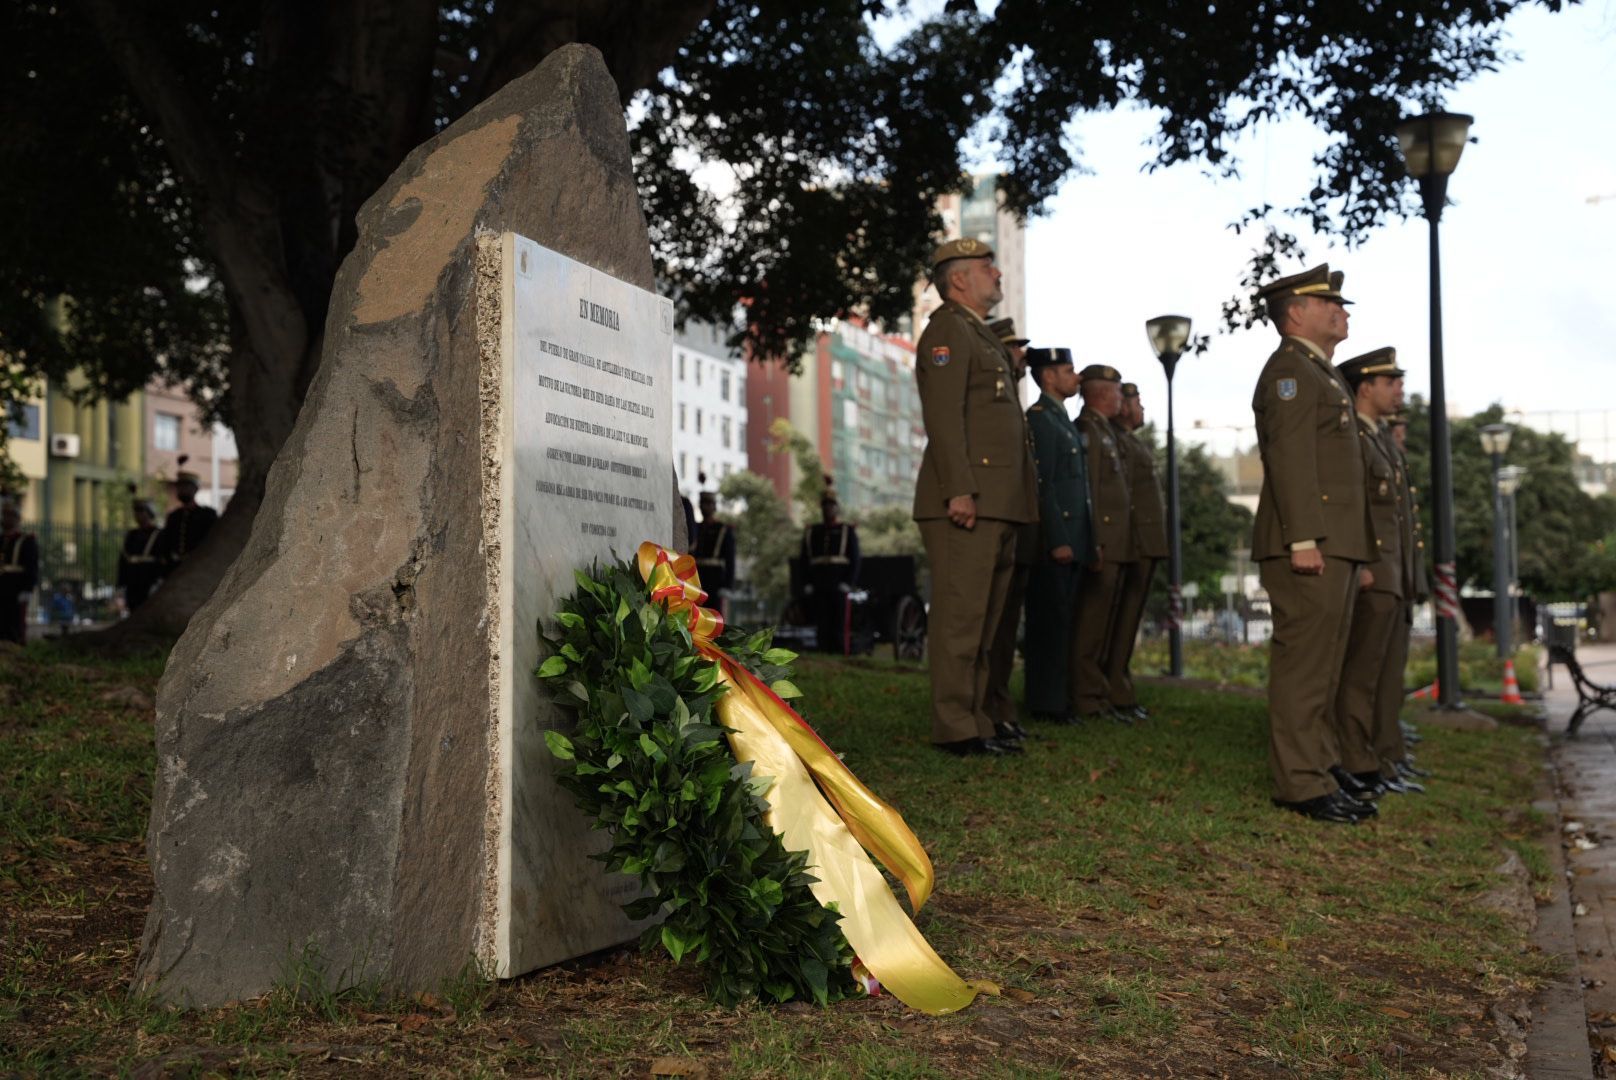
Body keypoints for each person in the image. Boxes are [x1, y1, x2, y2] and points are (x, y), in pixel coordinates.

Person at [1251, 264, 1376, 824]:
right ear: (1296, 312)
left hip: (1334, 543)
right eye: (1331, 303)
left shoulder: (1318, 373)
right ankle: (1300, 782)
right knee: (1305, 667)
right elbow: (1291, 459)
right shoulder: (1291, 372)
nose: (1343, 311)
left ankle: (1320, 769)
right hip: (1308, 544)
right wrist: (1303, 538)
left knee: (1325, 667)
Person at [911, 236, 1038, 756]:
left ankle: (978, 718)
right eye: (988, 267)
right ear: (958, 279)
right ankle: (957, 726)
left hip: (995, 501)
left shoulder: (976, 334)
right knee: (961, 620)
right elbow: (943, 418)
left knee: (985, 622)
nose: (998, 274)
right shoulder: (947, 331)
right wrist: (960, 488)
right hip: (966, 501)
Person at [1332, 348, 1424, 797]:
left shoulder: (1379, 438)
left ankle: (1384, 757)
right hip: (1375, 571)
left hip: (1393, 574)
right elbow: (1357, 511)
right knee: (1362, 676)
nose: (1399, 390)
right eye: (1391, 382)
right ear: (1365, 388)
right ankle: (1359, 762)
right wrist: (1366, 564)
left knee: (1386, 677)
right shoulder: (1355, 438)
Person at [1021, 347, 1095, 723]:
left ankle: (1058, 699)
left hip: (1073, 539)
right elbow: (1043, 484)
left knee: (1063, 621)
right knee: (1049, 624)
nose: (1076, 377)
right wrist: (1057, 538)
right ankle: (1046, 703)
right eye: (1068, 370)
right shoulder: (1041, 420)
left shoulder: (1061, 419)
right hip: (1057, 541)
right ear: (1048, 377)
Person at [1069, 364, 1134, 723]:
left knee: (1104, 625)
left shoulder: (1105, 431)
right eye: (1117, 392)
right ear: (1100, 394)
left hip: (1115, 543)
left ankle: (1097, 695)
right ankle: (1086, 697)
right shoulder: (1089, 430)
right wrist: (1094, 541)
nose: (1121, 400)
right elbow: (1090, 492)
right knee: (1091, 625)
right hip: (1103, 544)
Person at [984, 317, 1034, 743]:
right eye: (1016, 347)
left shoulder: (1011, 397)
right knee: (988, 627)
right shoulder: (995, 394)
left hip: (1013, 514)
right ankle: (985, 710)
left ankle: (997, 704)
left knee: (1003, 626)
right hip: (991, 509)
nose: (1023, 356)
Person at [1107, 383, 1168, 721]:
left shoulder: (1129, 441)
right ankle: (1115, 688)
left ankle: (1120, 686)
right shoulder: (1116, 440)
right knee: (1120, 620)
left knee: (1129, 621)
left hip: (1144, 543)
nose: (1141, 408)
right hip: (1133, 543)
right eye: (1136, 402)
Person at [802, 491, 862, 655]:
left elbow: (855, 559)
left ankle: (839, 652)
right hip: (818, 583)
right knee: (822, 621)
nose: (828, 509)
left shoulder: (846, 531)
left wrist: (848, 582)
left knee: (838, 622)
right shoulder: (812, 532)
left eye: (831, 505)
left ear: (837, 508)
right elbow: (804, 560)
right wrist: (807, 582)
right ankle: (823, 651)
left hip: (838, 583)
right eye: (825, 506)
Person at [156, 471, 218, 568]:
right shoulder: (174, 516)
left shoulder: (207, 515)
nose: (181, 490)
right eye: (180, 487)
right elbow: (166, 544)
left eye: (185, 487)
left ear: (195, 489)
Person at [0, 501, 40, 645]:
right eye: (5, 515)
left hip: (16, 589)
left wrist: (27, 589)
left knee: (15, 624)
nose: (6, 519)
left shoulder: (26, 540)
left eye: (11, 515)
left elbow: (32, 567)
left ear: (17, 519)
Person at [694, 490, 737, 616]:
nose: (704, 507)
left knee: (714, 619)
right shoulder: (697, 528)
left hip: (715, 580)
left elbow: (730, 560)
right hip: (698, 578)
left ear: (714, 506)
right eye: (702, 503)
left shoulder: (723, 529)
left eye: (708, 503)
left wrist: (727, 586)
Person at [118, 499, 165, 611]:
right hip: (132, 580)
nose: (137, 514)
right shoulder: (132, 535)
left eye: (141, 511)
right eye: (136, 511)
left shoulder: (158, 534)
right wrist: (120, 585)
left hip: (149, 580)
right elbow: (124, 560)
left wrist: (158, 581)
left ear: (149, 513)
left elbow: (161, 560)